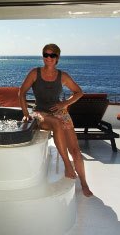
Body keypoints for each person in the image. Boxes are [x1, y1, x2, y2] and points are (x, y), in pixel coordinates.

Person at [19, 43, 93, 197]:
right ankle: (67, 165)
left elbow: (79, 92)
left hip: (60, 113)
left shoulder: (62, 76)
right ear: (43, 56)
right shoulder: (35, 73)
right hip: (40, 113)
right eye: (46, 55)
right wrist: (26, 113)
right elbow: (22, 92)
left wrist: (64, 104)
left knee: (76, 151)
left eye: (52, 55)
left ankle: (84, 183)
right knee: (57, 123)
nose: (48, 58)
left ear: (57, 58)